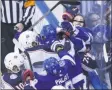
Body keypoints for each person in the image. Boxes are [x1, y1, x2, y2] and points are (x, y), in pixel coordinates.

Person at [1, 0, 35, 73]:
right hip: (4, 26)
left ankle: (28, 74)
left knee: (25, 51)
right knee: (5, 52)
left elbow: (30, 5)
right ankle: (8, 75)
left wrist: (23, 22)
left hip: (22, 25)